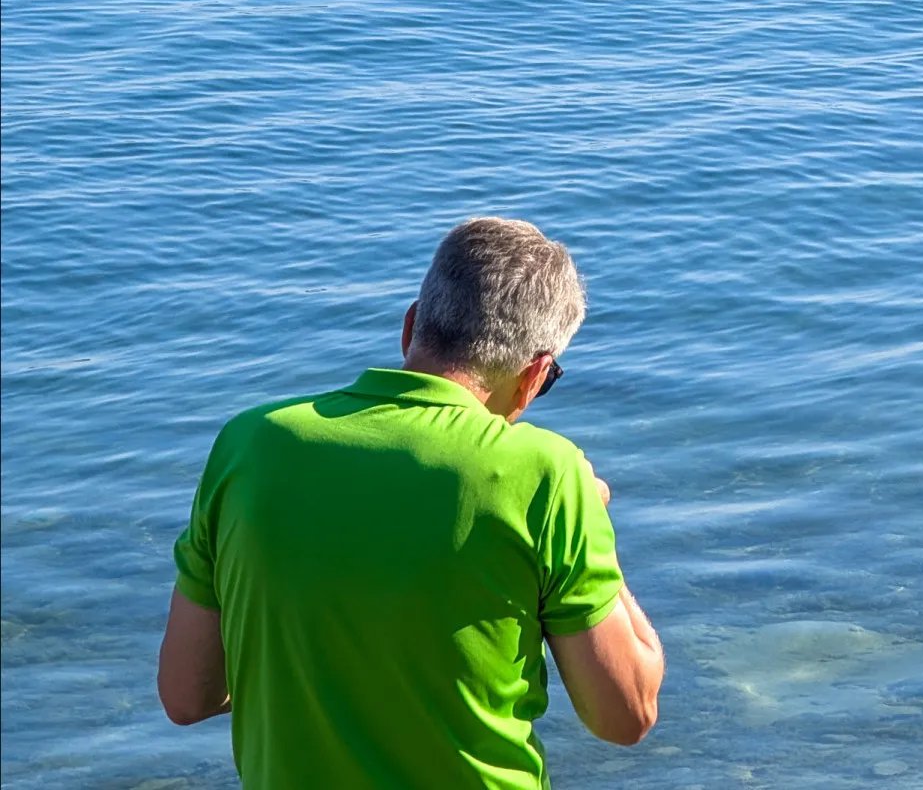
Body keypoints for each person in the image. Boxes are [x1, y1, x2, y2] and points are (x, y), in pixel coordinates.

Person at [157, 217, 666, 789]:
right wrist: (592, 525)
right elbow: (626, 715)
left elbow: (187, 695)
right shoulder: (545, 472)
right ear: (535, 374)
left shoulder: (250, 443)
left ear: (410, 328)